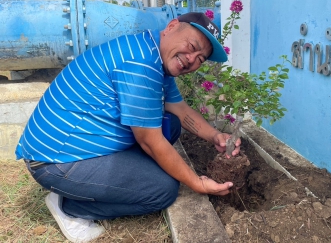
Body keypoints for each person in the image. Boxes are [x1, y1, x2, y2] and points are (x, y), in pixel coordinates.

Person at [15, 12, 241, 243]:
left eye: (200, 59)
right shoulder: (140, 63)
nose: (192, 59)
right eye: (191, 46)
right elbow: (150, 142)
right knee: (162, 190)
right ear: (172, 27)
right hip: (56, 162)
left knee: (170, 124)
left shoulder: (152, 52)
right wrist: (197, 182)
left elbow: (180, 110)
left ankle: (113, 182)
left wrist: (215, 135)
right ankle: (70, 207)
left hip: (75, 146)